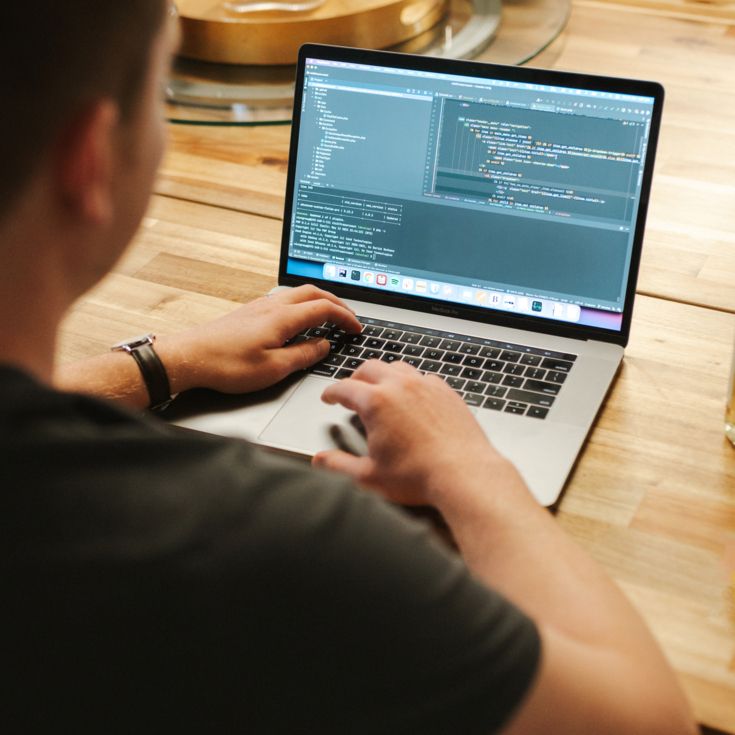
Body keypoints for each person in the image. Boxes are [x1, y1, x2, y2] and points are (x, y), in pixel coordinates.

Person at [0, 2, 697, 733]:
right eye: (158, 93)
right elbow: (649, 720)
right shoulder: (271, 537)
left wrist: (160, 362)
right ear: (91, 158)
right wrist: (469, 466)